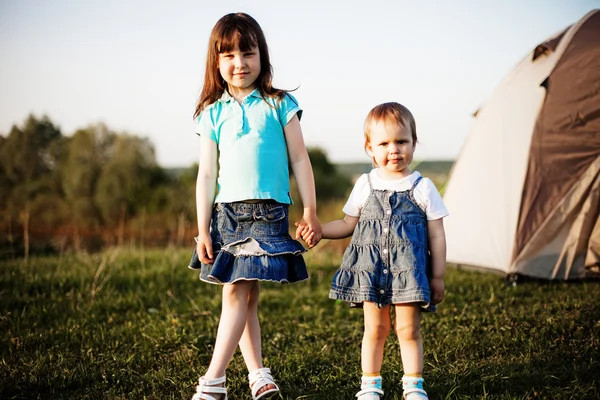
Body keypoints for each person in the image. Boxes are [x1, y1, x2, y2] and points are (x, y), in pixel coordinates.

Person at [188, 12, 321, 400]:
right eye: (228, 55)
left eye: (247, 53)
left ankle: (213, 382)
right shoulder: (210, 112)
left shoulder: (281, 104)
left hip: (269, 211)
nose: (239, 63)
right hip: (226, 214)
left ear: (262, 55)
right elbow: (205, 174)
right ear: (216, 62)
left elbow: (300, 159)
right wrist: (202, 229)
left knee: (240, 291)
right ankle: (257, 373)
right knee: (242, 294)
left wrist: (310, 210)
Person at [299, 102, 447, 399]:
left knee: (408, 330)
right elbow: (347, 223)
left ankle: (413, 386)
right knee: (375, 330)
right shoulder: (365, 184)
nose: (394, 150)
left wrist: (438, 276)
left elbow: (437, 234)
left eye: (402, 141)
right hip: (371, 271)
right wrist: (320, 230)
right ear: (370, 148)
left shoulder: (423, 187)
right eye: (384, 143)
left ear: (414, 144)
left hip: (410, 272)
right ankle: (370, 385)